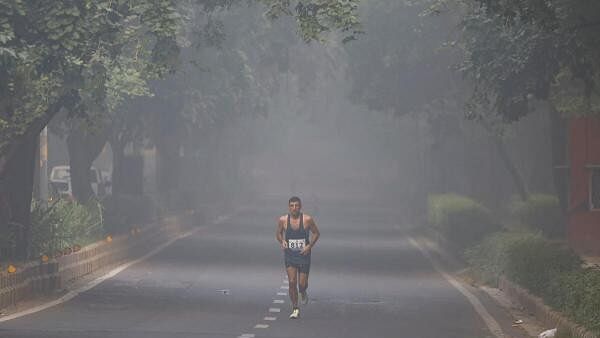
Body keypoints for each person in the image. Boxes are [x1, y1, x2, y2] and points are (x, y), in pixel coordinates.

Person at [276, 196, 320, 319]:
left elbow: (316, 233)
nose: (294, 208)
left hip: (304, 255)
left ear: (300, 207)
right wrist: (282, 241)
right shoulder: (283, 220)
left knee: (301, 284)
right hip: (290, 254)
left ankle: (303, 291)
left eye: (296, 205)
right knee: (291, 282)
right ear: (289, 207)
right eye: (292, 205)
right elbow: (278, 233)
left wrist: (309, 246)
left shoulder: (307, 219)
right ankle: (295, 308)